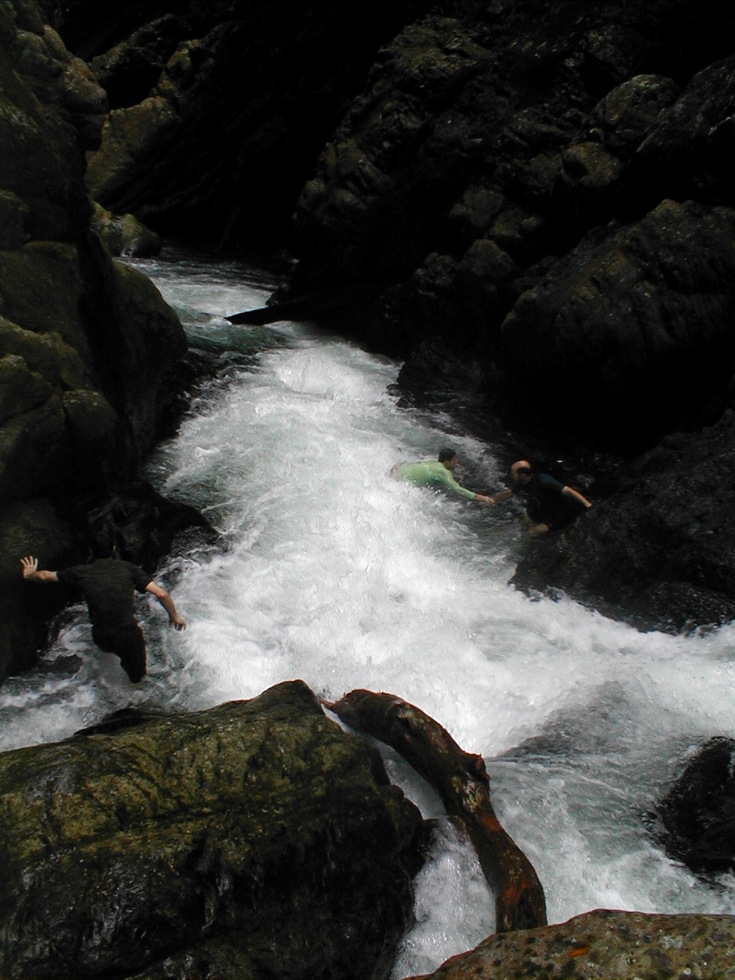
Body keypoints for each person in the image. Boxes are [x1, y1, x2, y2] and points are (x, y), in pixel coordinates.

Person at [20, 554, 186, 683]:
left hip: (100, 636)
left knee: (109, 653)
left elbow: (44, 576)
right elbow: (161, 593)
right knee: (137, 678)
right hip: (127, 635)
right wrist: (175, 616)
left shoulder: (81, 572)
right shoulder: (127, 568)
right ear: (113, 548)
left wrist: (29, 574)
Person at [489, 459, 592, 535]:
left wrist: (587, 504)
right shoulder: (522, 482)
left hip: (560, 511)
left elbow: (568, 491)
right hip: (544, 506)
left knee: (533, 532)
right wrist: (493, 499)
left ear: (523, 475)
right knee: (523, 522)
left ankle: (520, 549)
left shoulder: (544, 480)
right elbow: (510, 493)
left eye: (513, 473)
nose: (511, 475)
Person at [390, 447, 494, 505]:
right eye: (454, 461)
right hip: (399, 483)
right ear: (447, 462)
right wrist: (483, 498)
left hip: (396, 469)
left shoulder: (431, 462)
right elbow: (459, 490)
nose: (455, 463)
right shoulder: (444, 472)